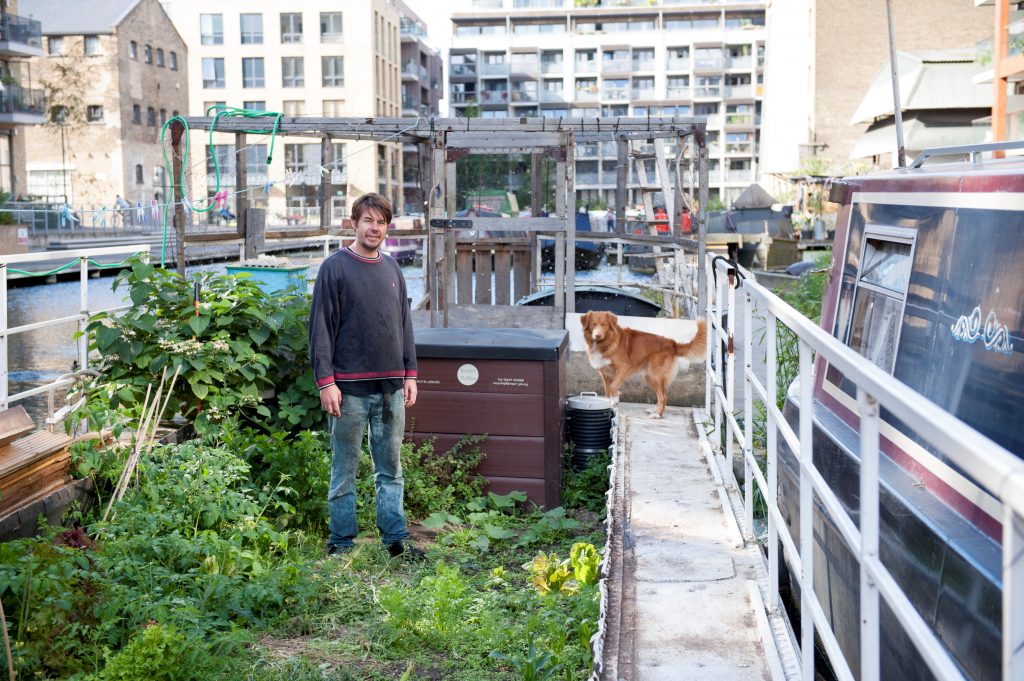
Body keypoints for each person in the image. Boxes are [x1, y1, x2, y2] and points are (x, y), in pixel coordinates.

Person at [308, 192, 423, 559]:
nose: (375, 228)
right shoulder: (335, 268)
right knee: (345, 468)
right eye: (368, 221)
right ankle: (341, 542)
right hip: (349, 389)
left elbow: (404, 324)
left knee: (390, 467)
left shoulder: (392, 268)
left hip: (391, 387)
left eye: (382, 222)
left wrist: (410, 373)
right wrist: (326, 382)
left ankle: (395, 539)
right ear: (354, 223)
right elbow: (320, 329)